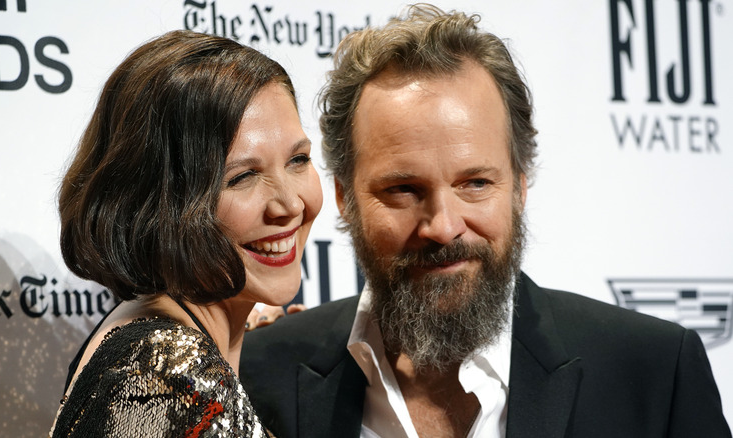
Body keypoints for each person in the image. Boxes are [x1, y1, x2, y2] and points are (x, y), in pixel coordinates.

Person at [239, 5, 731, 438]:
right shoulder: (258, 374)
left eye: (475, 183)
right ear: (345, 198)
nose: (443, 226)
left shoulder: (655, 373)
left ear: (519, 185)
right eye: (403, 189)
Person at [50, 30, 322, 437]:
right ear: (161, 203)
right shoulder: (167, 377)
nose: (290, 205)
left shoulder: (154, 343)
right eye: (243, 176)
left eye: (298, 159)